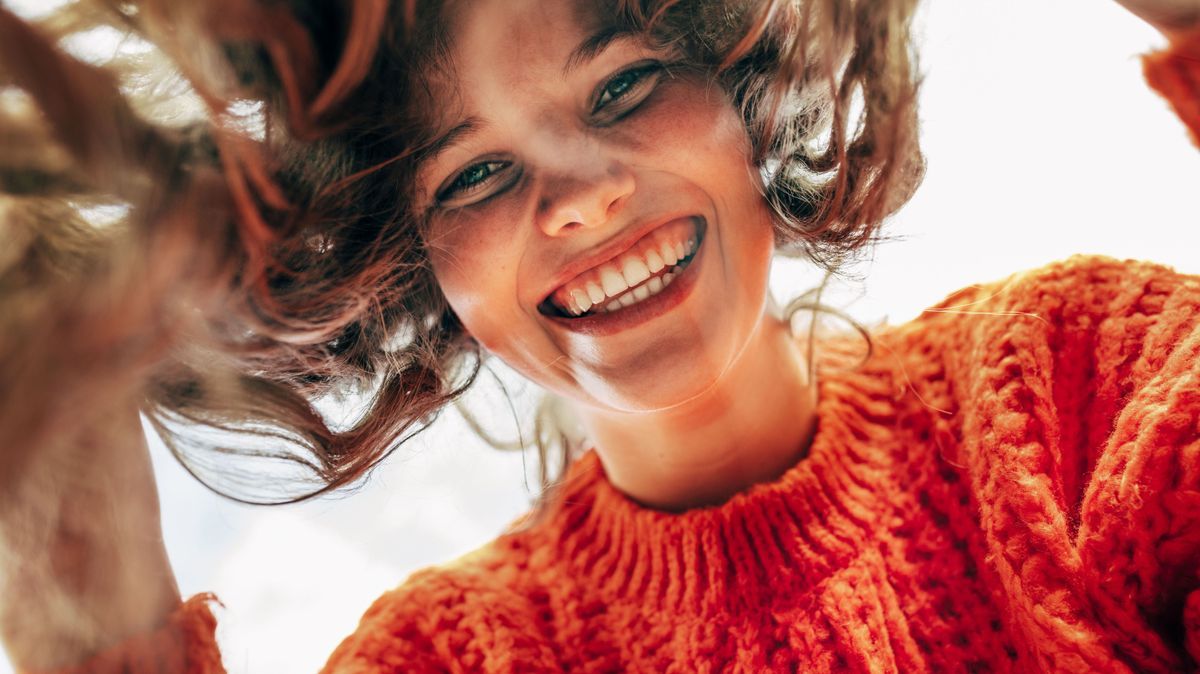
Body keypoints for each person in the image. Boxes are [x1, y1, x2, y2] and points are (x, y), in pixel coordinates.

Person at [0, 0, 1197, 671]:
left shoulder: (1067, 379)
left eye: (622, 88)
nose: (576, 199)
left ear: (748, 88)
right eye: (472, 174)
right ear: (419, 272)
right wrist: (84, 634)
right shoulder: (448, 660)